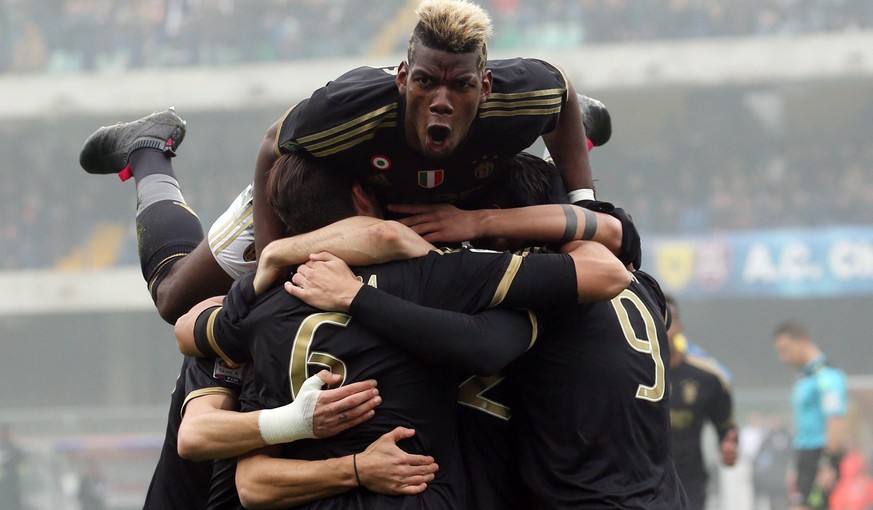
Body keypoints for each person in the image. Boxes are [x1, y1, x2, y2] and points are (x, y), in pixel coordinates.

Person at [79, 0, 613, 326]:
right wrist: (272, 261)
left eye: (461, 86)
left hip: (447, 197)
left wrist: (583, 202)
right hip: (321, 192)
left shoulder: (529, 89)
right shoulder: (350, 106)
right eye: (426, 82)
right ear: (403, 78)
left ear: (487, 86)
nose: (442, 100)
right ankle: (148, 150)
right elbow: (272, 147)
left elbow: (560, 93)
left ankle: (569, 137)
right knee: (175, 299)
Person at [175, 149, 631, 509]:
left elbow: (187, 330)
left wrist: (276, 257)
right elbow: (608, 271)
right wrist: (479, 225)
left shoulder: (258, 308)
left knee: (170, 282)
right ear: (362, 197)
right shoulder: (437, 275)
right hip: (479, 493)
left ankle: (152, 165)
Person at [664, 294, 738, 510]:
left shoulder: (708, 378)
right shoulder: (629, 375)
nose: (661, 327)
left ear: (678, 326)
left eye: (667, 321)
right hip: (640, 482)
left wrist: (730, 448)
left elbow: (727, 429)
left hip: (690, 483)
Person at [773, 320, 849, 510]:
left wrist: (827, 464)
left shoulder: (827, 377)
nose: (783, 358)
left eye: (786, 349)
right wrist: (795, 465)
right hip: (805, 456)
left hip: (819, 456)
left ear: (802, 341)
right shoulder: (805, 377)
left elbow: (836, 421)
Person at [0, 425, 24, 510]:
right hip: (3, 483)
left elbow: (21, 462)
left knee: (12, 501)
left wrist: (19, 474)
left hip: (12, 480)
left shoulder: (14, 448)